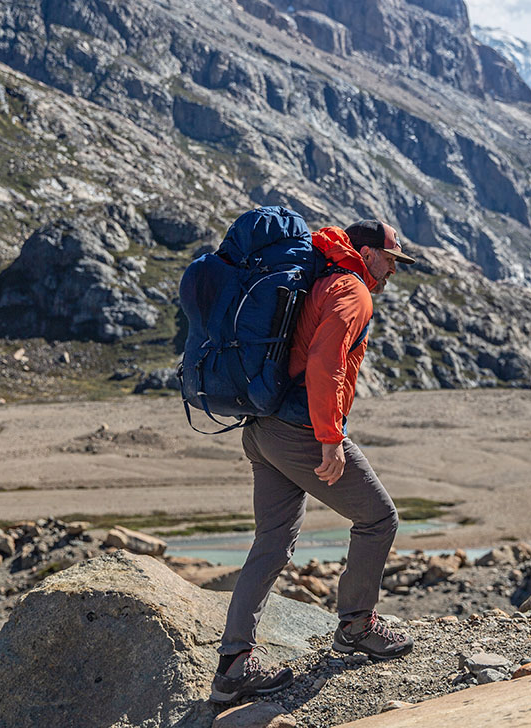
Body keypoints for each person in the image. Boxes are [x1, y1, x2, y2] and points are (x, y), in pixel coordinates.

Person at [210, 219, 417, 704]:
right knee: (379, 518)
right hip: (299, 431)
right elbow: (326, 364)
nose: (392, 271)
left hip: (261, 427)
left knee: (273, 541)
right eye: (390, 260)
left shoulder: (316, 276)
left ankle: (233, 664)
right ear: (367, 253)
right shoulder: (352, 290)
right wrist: (330, 439)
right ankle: (356, 626)